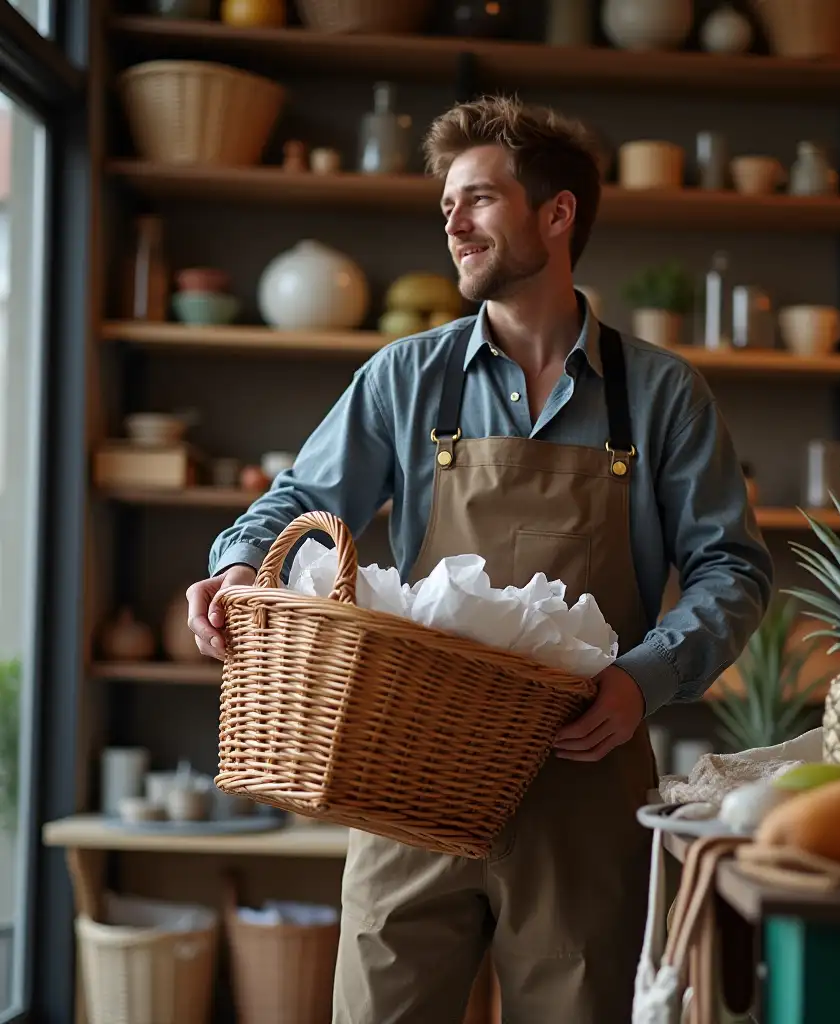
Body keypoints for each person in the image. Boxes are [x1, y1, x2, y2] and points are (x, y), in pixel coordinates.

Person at [187, 95, 773, 1024]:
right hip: (407, 776)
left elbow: (733, 570)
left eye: (480, 199)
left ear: (556, 213)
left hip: (585, 782)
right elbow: (299, 503)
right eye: (447, 204)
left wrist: (642, 680)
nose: (453, 224)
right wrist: (236, 564)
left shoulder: (663, 395)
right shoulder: (404, 377)